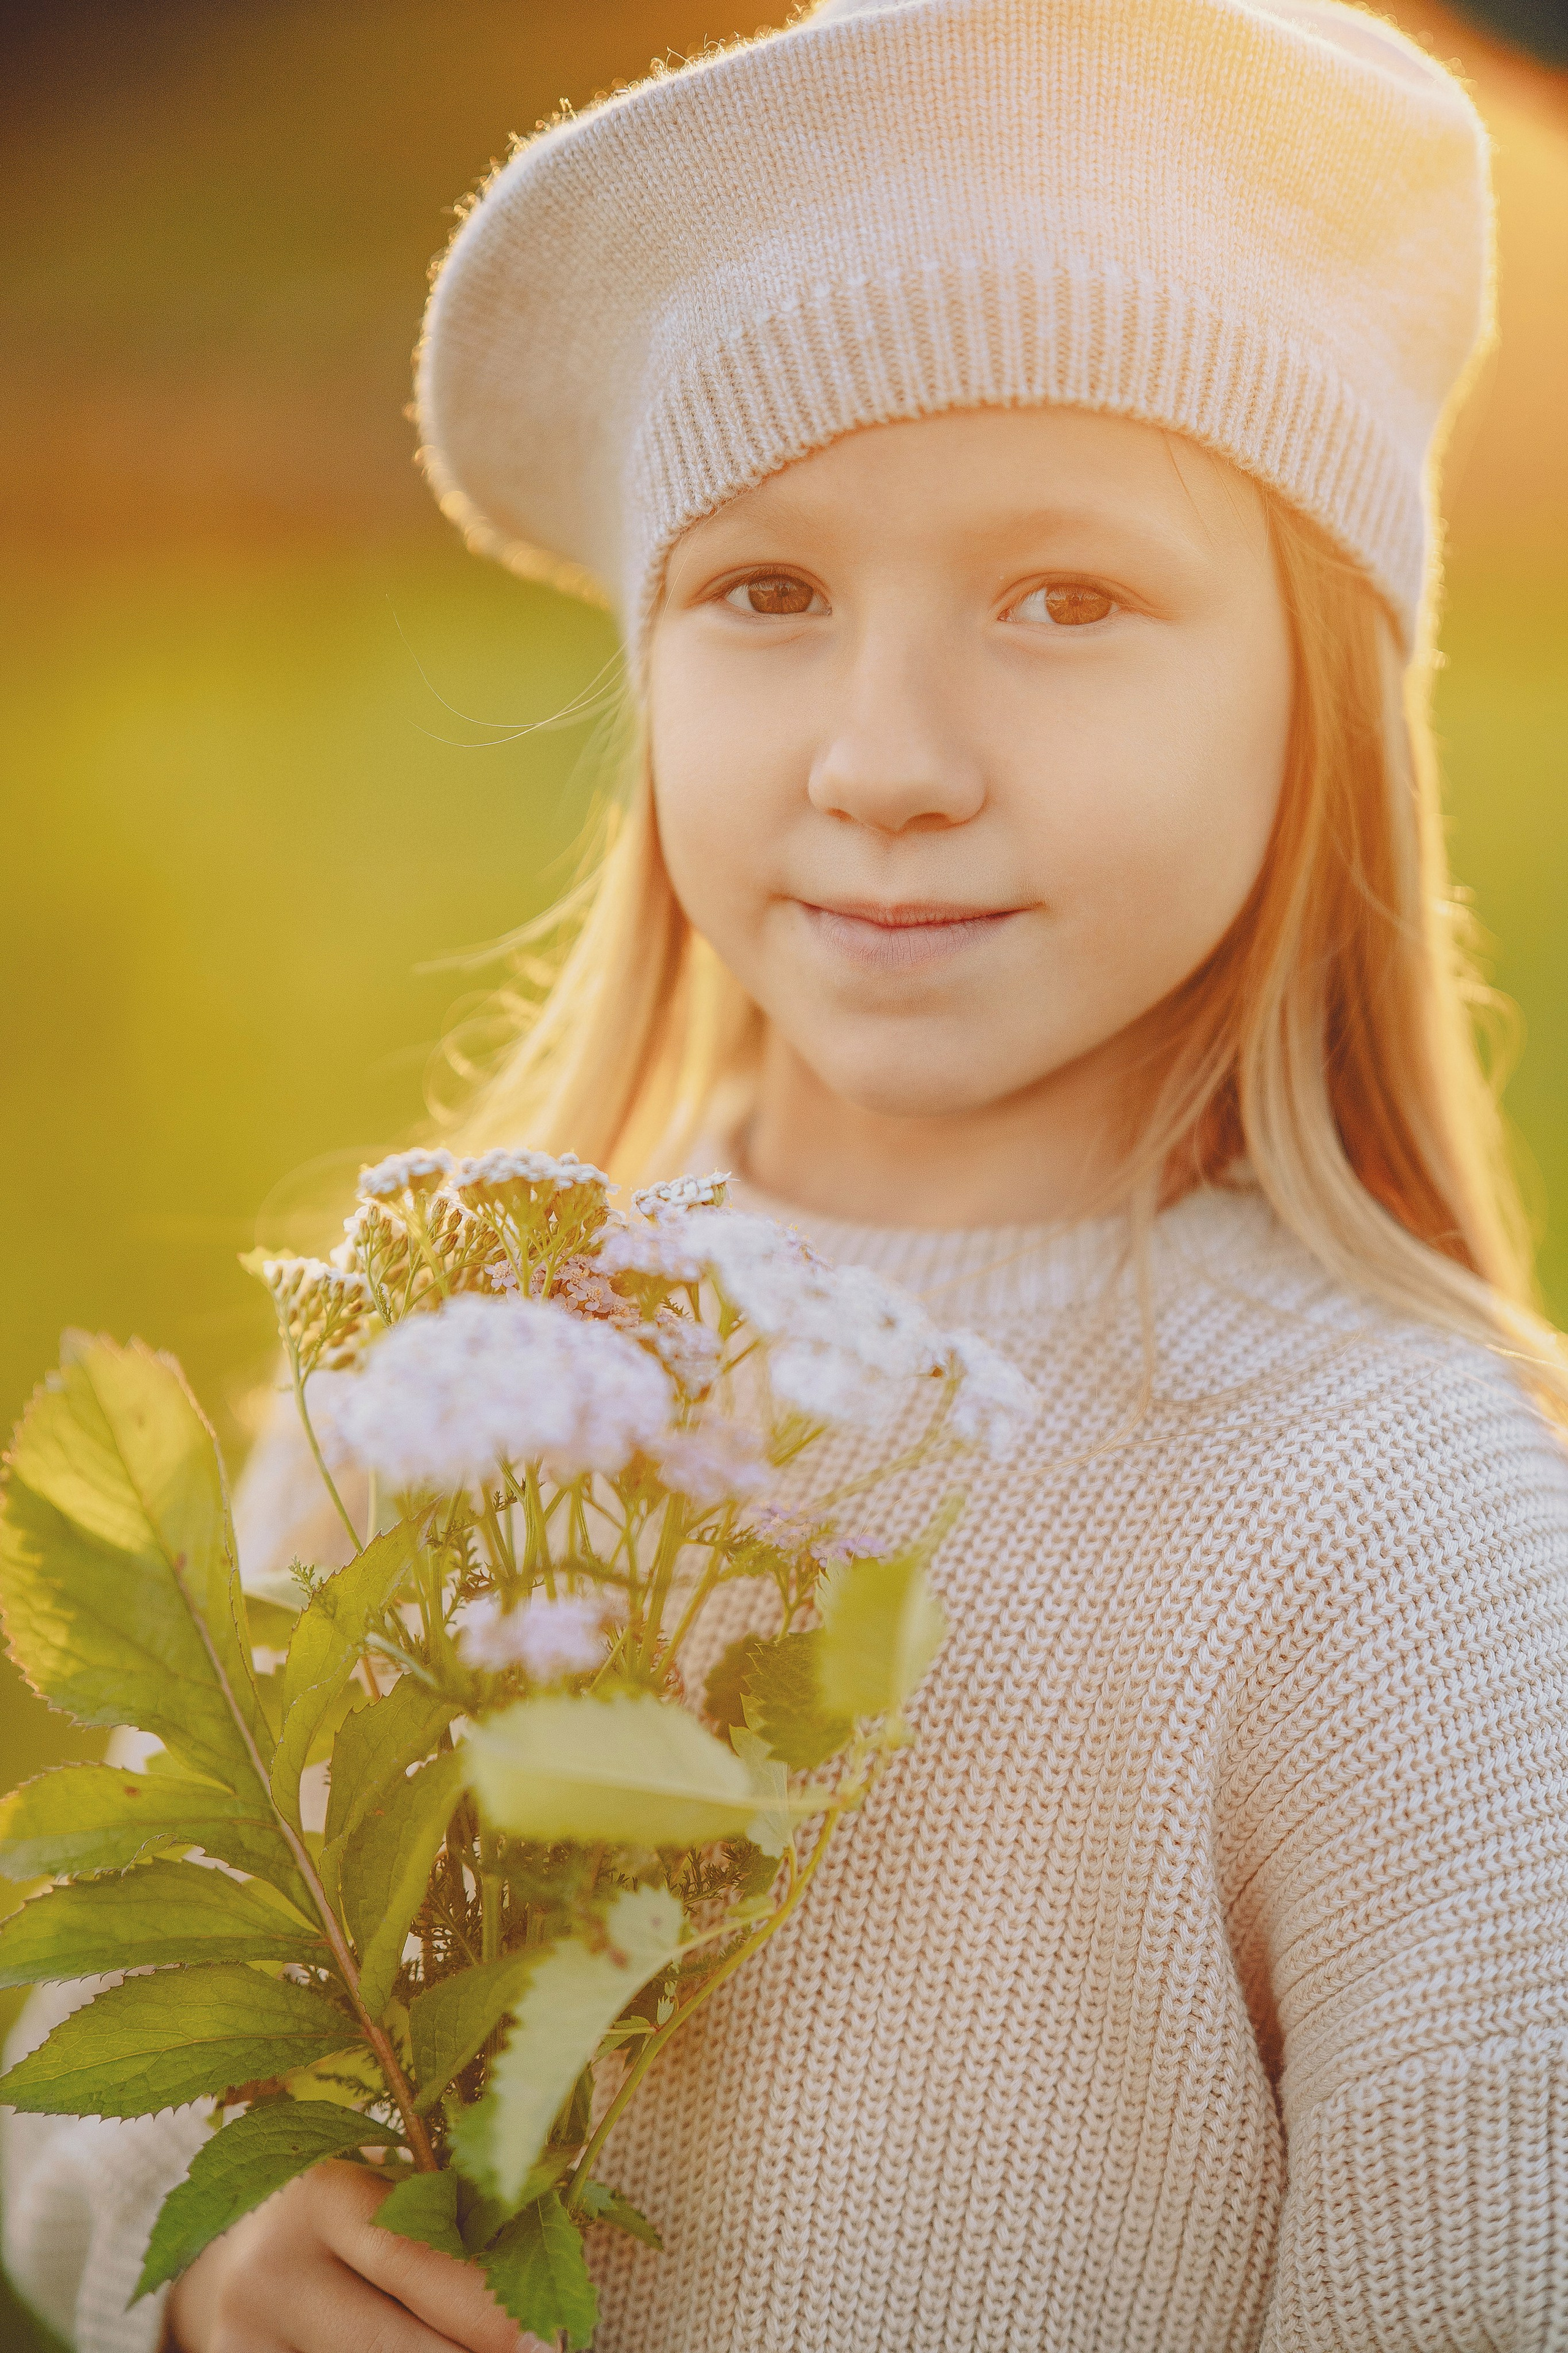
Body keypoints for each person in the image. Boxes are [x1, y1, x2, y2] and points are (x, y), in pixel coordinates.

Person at [8, 0, 1568, 2346]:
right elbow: (72, 2066)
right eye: (766, 593)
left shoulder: (1403, 1529)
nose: (885, 756)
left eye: (1066, 597)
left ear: (1317, 687)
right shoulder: (469, 1376)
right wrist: (212, 2262)